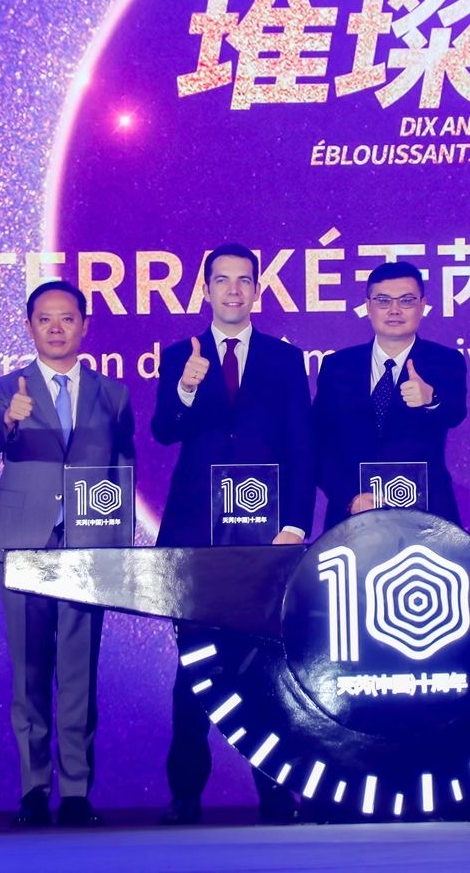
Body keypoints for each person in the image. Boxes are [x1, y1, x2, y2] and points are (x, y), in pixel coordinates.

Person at [151, 243, 310, 826]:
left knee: (268, 665)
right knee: (193, 666)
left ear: (257, 291)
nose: (234, 290)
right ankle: (185, 793)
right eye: (222, 280)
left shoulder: (285, 359)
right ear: (206, 289)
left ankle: (276, 791)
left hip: (266, 537)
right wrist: (186, 390)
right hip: (195, 536)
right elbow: (165, 430)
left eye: (244, 280)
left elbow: (302, 444)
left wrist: (295, 522)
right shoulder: (181, 355)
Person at [0, 279, 135, 828]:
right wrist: (10, 419)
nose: (56, 328)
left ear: (85, 325)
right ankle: (33, 787)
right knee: (30, 669)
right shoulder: (6, 388)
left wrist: (116, 545)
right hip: (23, 543)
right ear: (29, 327)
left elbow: (123, 468)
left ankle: (76, 792)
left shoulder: (113, 393)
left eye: (67, 318)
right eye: (45, 319)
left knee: (78, 669)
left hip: (88, 545)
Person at [312, 261, 467, 529]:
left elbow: (455, 412)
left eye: (406, 300)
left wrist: (431, 399)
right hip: (354, 514)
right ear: (368, 306)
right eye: (383, 300)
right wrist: (350, 498)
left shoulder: (445, 360)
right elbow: (318, 442)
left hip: (426, 513)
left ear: (422, 305)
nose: (394, 310)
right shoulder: (338, 366)